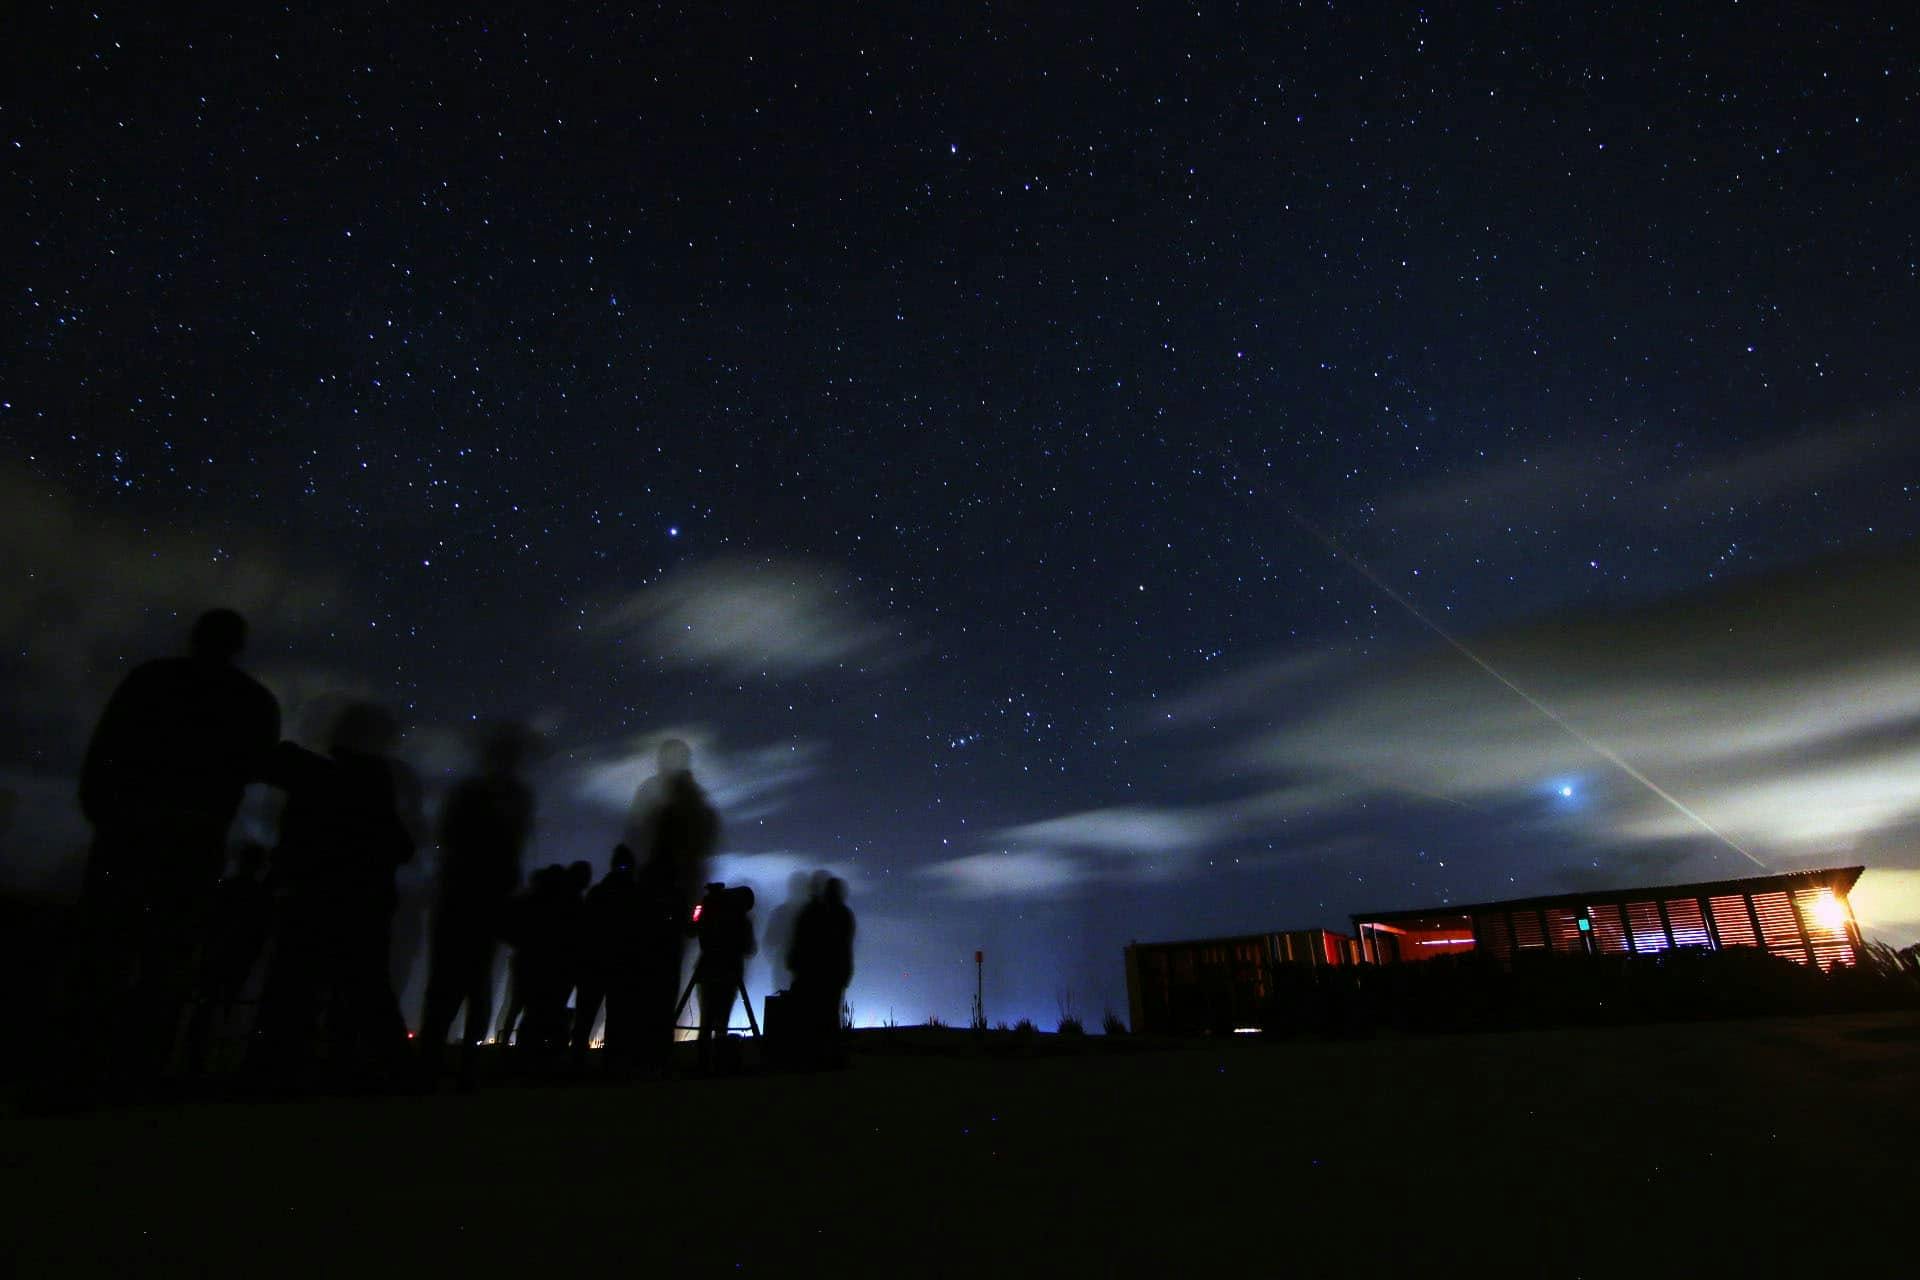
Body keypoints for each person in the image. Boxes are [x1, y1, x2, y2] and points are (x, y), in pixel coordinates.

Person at [74, 608, 280, 1084]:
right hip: (193, 836)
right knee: (167, 954)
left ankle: (81, 1063)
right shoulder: (250, 700)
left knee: (105, 946)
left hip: (129, 829)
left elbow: (106, 747)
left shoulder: (151, 680)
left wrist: (104, 812)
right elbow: (259, 764)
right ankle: (140, 1069)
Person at [251, 704, 415, 1085]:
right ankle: (391, 1073)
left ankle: (275, 1072)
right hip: (360, 901)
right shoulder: (373, 778)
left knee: (296, 987)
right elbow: (398, 844)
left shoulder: (331, 775)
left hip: (323, 897)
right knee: (363, 988)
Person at [419, 724, 535, 1082]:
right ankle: (463, 1061)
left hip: (461, 896)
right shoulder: (515, 796)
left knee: (447, 982)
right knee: (476, 982)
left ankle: (431, 1059)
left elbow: (446, 836)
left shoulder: (473, 793)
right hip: (485, 898)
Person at [573, 845, 639, 1069]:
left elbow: (584, 926)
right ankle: (612, 1064)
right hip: (620, 964)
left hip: (593, 963)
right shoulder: (634, 895)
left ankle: (576, 1062)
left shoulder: (598, 892)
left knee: (585, 1016)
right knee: (617, 1016)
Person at [788, 876, 855, 1067]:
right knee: (830, 1015)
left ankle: (818, 1057)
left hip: (825, 973)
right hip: (834, 973)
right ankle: (830, 1056)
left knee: (823, 1015)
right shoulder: (842, 915)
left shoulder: (827, 914)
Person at [693, 882, 756, 1072]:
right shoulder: (740, 919)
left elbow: (694, 928)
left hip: (707, 970)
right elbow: (748, 947)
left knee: (706, 1021)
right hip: (728, 973)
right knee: (721, 1022)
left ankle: (702, 1063)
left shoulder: (710, 909)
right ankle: (719, 1063)